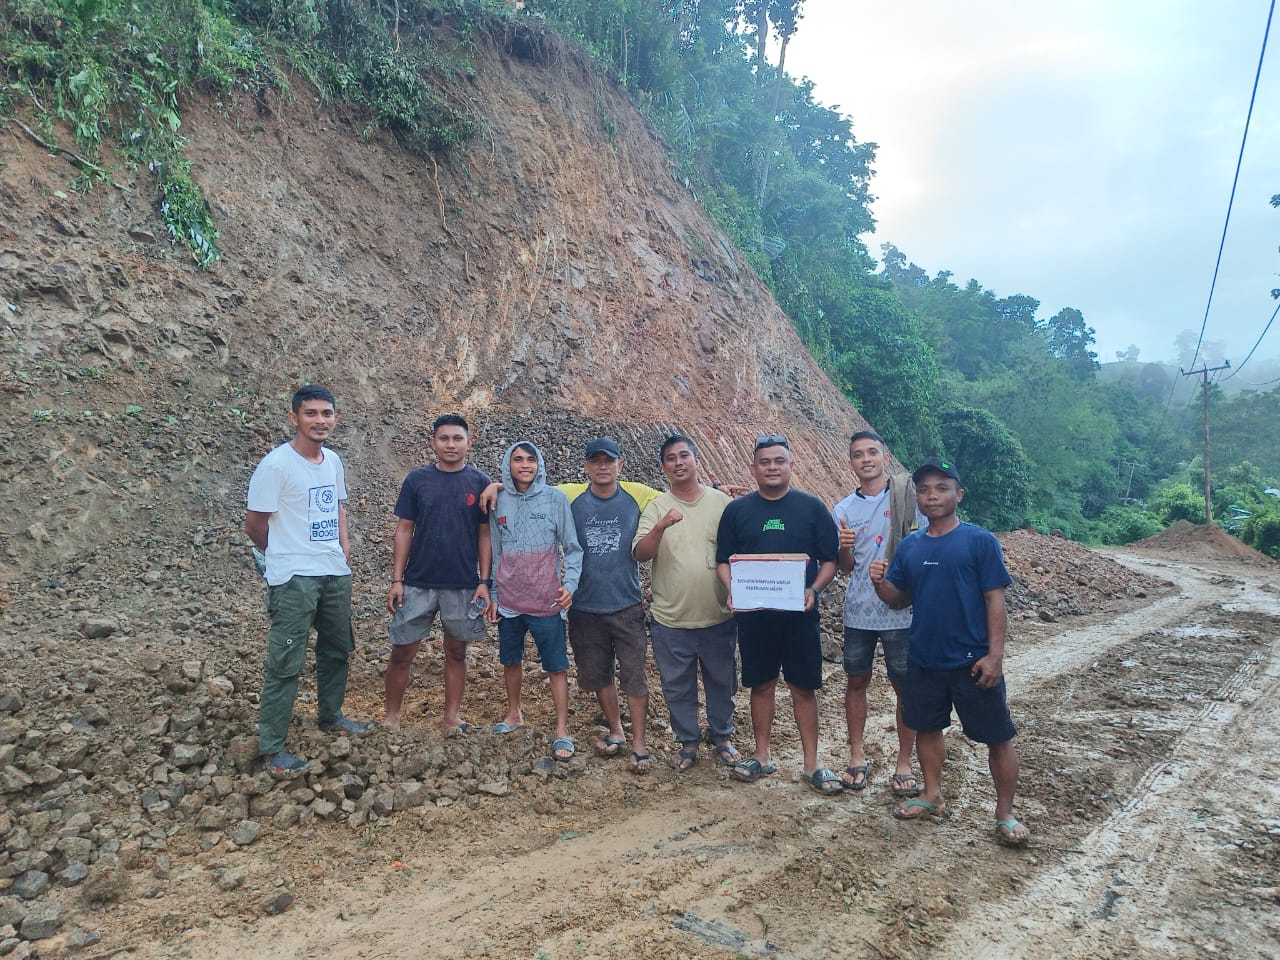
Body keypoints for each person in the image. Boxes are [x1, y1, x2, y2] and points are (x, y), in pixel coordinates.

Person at [869, 457, 1031, 846]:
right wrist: (878, 582)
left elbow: (995, 601)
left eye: (942, 488)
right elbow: (898, 600)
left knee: (998, 737)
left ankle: (1005, 813)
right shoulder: (910, 547)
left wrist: (995, 656)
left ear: (959, 494)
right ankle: (931, 794)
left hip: (974, 662)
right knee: (926, 729)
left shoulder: (980, 542)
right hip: (924, 659)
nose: (932, 495)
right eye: (924, 489)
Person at [245, 385, 372, 778]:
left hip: (333, 571)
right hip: (295, 577)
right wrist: (282, 554)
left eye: (327, 413)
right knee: (286, 660)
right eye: (311, 413)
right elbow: (255, 525)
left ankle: (331, 715)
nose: (321, 421)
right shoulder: (276, 466)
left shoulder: (332, 460)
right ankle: (272, 748)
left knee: (337, 648)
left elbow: (338, 506)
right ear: (294, 418)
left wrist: (343, 547)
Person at [715, 434, 841, 795]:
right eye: (765, 462)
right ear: (754, 467)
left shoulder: (812, 508)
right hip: (756, 617)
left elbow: (830, 560)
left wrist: (813, 590)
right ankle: (761, 755)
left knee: (804, 687)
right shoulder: (737, 511)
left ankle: (812, 764)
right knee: (761, 683)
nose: (772, 467)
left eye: (779, 461)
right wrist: (733, 589)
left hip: (800, 616)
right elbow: (724, 561)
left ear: (790, 464)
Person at [633, 435, 740, 773]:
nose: (678, 463)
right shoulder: (656, 507)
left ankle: (722, 736)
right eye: (670, 459)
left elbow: (740, 549)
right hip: (671, 619)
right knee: (677, 685)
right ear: (663, 467)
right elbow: (640, 554)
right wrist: (662, 526)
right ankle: (688, 742)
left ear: (696, 459)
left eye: (684, 456)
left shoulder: (722, 503)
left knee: (722, 680)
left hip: (718, 615)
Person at [384, 413, 493, 733]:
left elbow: (485, 535)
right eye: (443, 438)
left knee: (457, 651)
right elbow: (404, 529)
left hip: (462, 583)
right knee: (402, 651)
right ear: (433, 442)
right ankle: (391, 716)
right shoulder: (417, 480)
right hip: (418, 581)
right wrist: (397, 579)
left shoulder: (480, 482)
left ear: (469, 443)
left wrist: (484, 581)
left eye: (457, 438)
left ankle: (451, 717)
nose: (450, 444)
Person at [557, 439, 661, 773]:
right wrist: (497, 485)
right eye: (595, 461)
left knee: (634, 675)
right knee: (598, 673)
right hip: (584, 606)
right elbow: (529, 489)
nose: (602, 466)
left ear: (620, 465)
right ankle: (616, 729)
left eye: (609, 461)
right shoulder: (570, 497)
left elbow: (679, 498)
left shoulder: (638, 495)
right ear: (586, 466)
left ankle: (639, 744)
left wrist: (715, 489)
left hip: (627, 604)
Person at [831, 430, 926, 794]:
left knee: (904, 685)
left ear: (885, 457)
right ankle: (856, 756)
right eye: (858, 454)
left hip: (902, 610)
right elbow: (845, 567)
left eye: (872, 452)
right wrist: (844, 548)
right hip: (859, 610)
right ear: (851, 462)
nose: (866, 459)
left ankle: (904, 762)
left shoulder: (908, 497)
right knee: (856, 681)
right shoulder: (843, 510)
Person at [487, 441, 584, 761]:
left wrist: (570, 584)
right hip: (510, 602)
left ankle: (561, 730)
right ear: (508, 465)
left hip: (547, 601)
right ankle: (514, 713)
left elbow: (572, 548)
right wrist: (494, 594)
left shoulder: (555, 499)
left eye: (531, 459)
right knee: (510, 660)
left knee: (556, 666)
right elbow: (496, 552)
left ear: (539, 464)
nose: (525, 465)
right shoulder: (498, 501)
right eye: (517, 459)